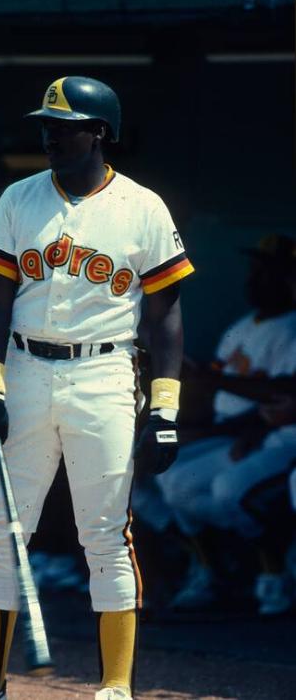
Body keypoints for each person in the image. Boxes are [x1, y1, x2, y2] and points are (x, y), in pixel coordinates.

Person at [0, 76, 194, 700]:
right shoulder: (18, 198)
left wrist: (165, 408)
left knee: (105, 532)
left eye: (66, 124)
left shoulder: (143, 207)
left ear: (100, 132)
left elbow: (166, 316)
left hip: (105, 374)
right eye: (47, 124)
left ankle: (115, 687)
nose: (51, 134)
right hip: (24, 370)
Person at [158, 234, 296, 614]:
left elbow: (285, 392)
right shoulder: (242, 327)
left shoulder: (291, 328)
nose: (257, 279)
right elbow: (216, 379)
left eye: (268, 272)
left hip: (277, 437)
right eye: (256, 270)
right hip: (234, 433)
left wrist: (232, 413)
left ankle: (274, 574)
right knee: (174, 481)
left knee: (230, 490)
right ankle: (215, 570)